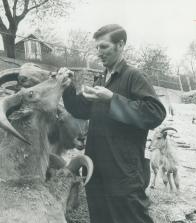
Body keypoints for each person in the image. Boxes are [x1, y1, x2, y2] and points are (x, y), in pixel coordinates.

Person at [61, 24, 166, 223]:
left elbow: (156, 113)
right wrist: (68, 88)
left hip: (123, 172)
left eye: (104, 47)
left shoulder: (133, 76)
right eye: (97, 48)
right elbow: (80, 109)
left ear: (120, 45)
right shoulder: (101, 79)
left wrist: (112, 99)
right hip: (97, 169)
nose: (98, 53)